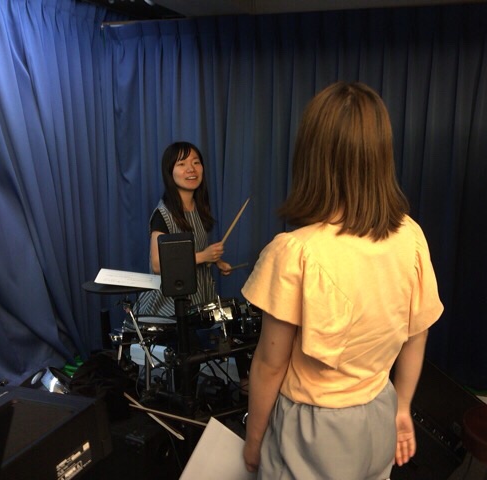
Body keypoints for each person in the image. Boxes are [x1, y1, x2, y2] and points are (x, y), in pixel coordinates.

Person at [241, 82, 444, 479]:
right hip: (379, 411)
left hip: (315, 430)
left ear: (312, 156)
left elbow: (269, 365)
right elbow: (417, 333)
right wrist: (402, 408)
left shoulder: (296, 251)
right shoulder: (411, 236)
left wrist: (254, 440)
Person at [138, 142, 251, 390]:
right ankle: (185, 401)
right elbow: (158, 264)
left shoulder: (197, 208)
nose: (191, 169)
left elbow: (193, 251)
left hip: (198, 298)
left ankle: (246, 388)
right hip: (169, 304)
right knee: (191, 351)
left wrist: (216, 260)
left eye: (196, 162)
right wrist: (203, 256)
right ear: (170, 172)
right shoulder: (163, 214)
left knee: (238, 324)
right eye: (182, 164)